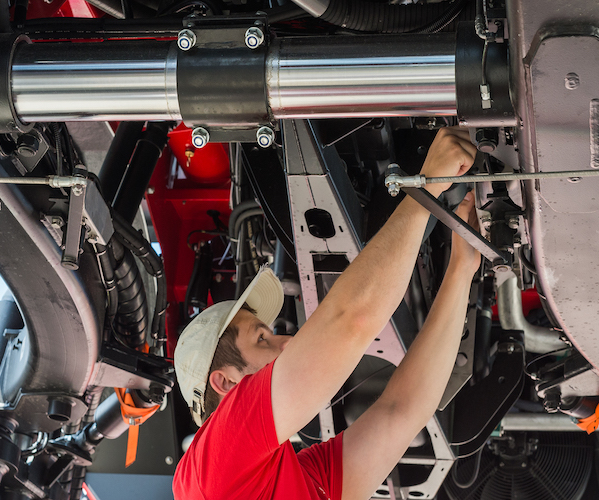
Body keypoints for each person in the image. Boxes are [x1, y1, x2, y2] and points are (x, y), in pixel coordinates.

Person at [173, 127, 480, 500]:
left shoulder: (273, 477)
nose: (287, 341)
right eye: (261, 338)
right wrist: (427, 187)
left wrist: (461, 269)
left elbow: (401, 410)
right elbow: (354, 321)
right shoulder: (214, 462)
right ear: (224, 384)